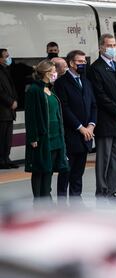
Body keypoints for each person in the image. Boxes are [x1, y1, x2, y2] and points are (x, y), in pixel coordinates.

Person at [88, 34, 116, 200]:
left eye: (114, 45)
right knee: (103, 159)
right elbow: (99, 95)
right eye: (109, 45)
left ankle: (112, 192)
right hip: (105, 121)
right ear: (101, 47)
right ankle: (102, 192)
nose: (112, 48)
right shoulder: (95, 68)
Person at [54, 50, 96, 199]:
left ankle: (76, 200)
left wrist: (91, 125)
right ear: (71, 63)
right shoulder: (61, 83)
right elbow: (64, 108)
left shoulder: (86, 82)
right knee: (66, 171)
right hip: (71, 135)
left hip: (86, 135)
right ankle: (62, 202)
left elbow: (93, 105)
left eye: (84, 62)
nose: (83, 64)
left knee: (78, 172)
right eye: (80, 62)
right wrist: (80, 127)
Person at [24, 60, 69, 198]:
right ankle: (39, 200)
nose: (56, 73)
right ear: (47, 73)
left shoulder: (50, 89)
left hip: (55, 136)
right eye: (54, 71)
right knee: (39, 169)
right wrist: (33, 137)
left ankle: (46, 197)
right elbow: (30, 116)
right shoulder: (34, 90)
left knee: (48, 169)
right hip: (42, 137)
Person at [0, 48, 19, 169]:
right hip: (2, 110)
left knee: (7, 138)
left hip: (9, 111)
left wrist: (15, 100)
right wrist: (10, 101)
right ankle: (1, 160)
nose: (8, 58)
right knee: (1, 137)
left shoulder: (6, 70)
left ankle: (6, 158)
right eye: (6, 56)